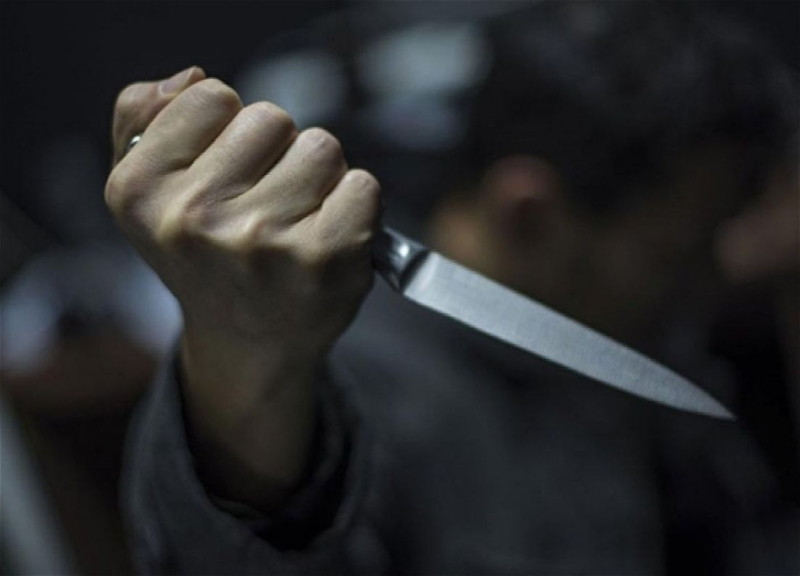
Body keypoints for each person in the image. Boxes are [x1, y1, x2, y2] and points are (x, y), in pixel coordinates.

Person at [111, 3, 798, 574]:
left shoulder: (634, 332)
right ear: (528, 215)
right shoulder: (353, 379)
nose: (714, 275)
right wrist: (243, 364)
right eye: (675, 254)